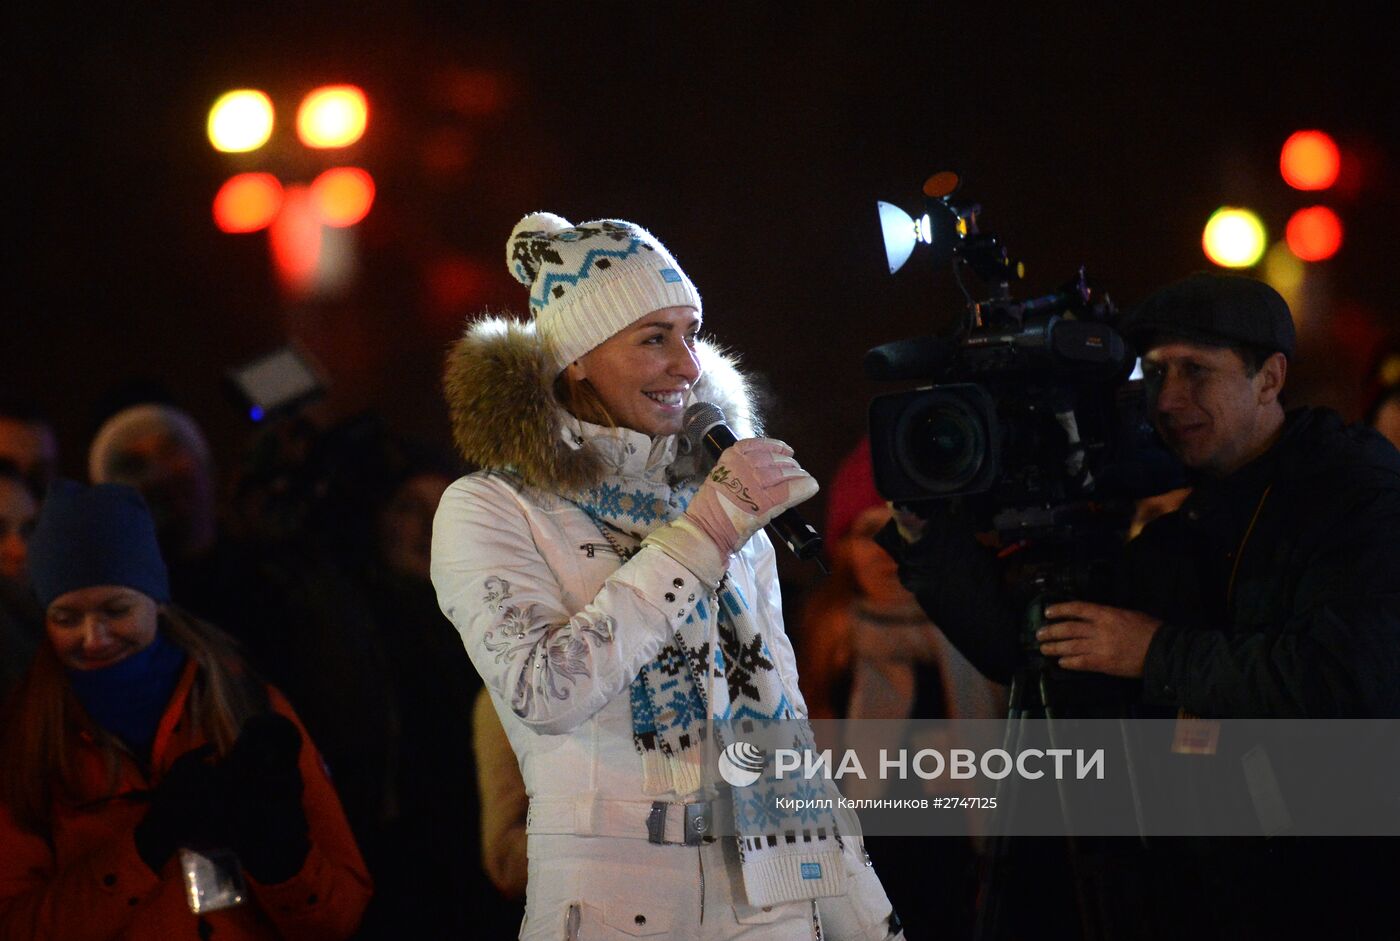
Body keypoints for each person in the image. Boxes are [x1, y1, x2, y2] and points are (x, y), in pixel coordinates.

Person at [879, 272, 1400, 936]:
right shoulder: (1192, 514)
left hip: (1331, 889)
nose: (1170, 398)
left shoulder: (1353, 493)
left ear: (1269, 378)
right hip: (1210, 883)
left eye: (1195, 371)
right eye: (1154, 373)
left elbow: (1346, 680)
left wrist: (1155, 651)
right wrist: (928, 538)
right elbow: (1036, 650)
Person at [431, 213, 901, 939]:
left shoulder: (722, 504)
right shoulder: (491, 509)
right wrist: (704, 534)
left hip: (774, 896)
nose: (688, 363)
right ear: (576, 357)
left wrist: (868, 919)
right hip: (620, 906)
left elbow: (790, 735)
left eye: (690, 332)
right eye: (655, 337)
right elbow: (543, 691)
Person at [0, 480, 372, 940]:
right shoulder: (25, 740)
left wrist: (282, 860)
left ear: (156, 601)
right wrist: (143, 849)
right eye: (66, 618)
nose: (93, 638)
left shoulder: (243, 704)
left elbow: (341, 916)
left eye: (116, 610)